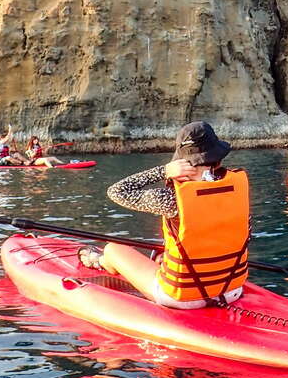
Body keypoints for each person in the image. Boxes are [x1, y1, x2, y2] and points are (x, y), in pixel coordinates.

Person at [78, 121, 248, 309]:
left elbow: (117, 191)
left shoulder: (171, 199)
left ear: (181, 163)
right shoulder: (238, 191)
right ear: (219, 159)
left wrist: (163, 171)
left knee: (113, 249)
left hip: (182, 297)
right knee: (163, 254)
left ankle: (101, 261)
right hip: (231, 291)